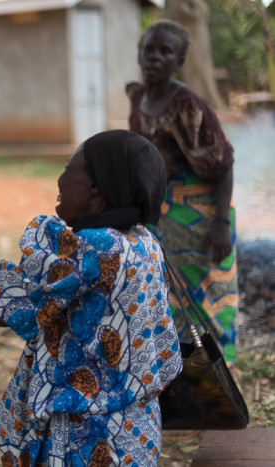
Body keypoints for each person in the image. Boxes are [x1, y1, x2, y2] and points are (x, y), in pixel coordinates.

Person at [0, 130, 183, 466]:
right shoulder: (144, 242)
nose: (59, 181)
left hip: (89, 437)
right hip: (136, 430)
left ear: (95, 187)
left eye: (67, 167)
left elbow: (0, 309)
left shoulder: (93, 248)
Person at [126, 19, 239, 364]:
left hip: (202, 211)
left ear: (179, 62)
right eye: (149, 49)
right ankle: (178, 370)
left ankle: (220, 372)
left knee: (204, 291)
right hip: (161, 209)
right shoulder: (138, 97)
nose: (155, 57)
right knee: (161, 291)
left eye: (166, 51)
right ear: (139, 54)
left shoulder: (189, 104)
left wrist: (221, 222)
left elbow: (224, 163)